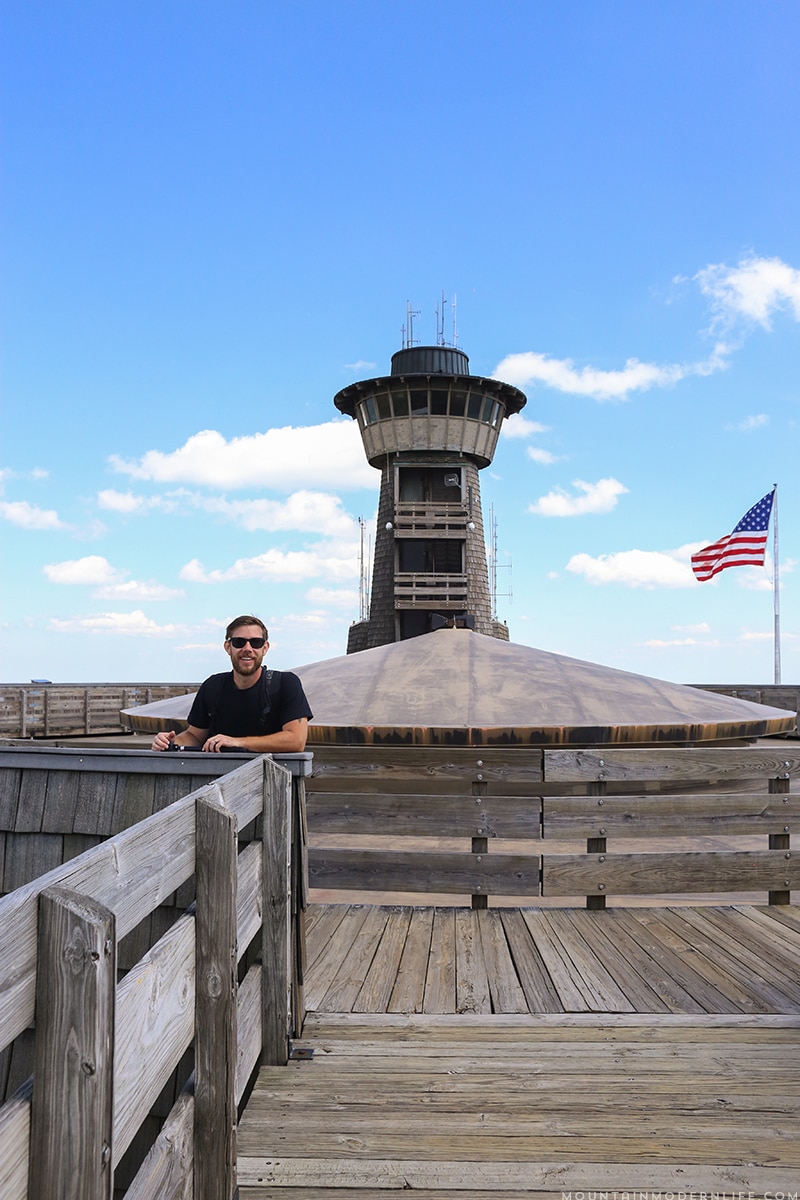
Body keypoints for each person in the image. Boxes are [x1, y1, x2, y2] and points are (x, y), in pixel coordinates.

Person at [150, 615, 313, 753]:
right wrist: (169, 742)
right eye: (239, 642)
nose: (247, 648)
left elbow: (296, 740)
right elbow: (194, 736)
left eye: (255, 642)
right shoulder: (213, 686)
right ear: (228, 647)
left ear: (265, 648)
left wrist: (237, 742)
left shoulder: (285, 684)